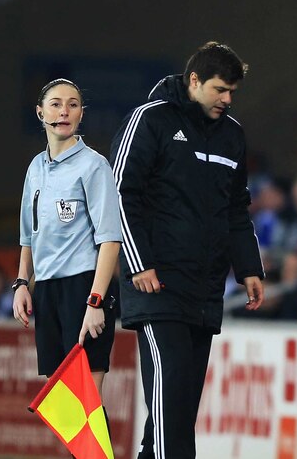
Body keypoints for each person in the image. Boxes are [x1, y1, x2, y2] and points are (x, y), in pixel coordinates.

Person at [110, 42, 265, 459]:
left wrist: (249, 266)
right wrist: (140, 264)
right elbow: (120, 194)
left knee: (177, 412)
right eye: (220, 89)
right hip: (157, 287)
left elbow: (236, 207)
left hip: (205, 290)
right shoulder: (151, 119)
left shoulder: (232, 134)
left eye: (233, 92)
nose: (228, 100)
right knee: (170, 404)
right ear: (193, 81)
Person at [12, 79, 122, 404]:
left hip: (84, 287)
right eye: (56, 104)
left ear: (81, 113)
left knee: (86, 401)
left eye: (73, 104)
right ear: (40, 112)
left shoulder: (94, 166)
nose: (64, 111)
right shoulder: (35, 168)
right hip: (46, 290)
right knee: (64, 406)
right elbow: (28, 234)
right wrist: (21, 282)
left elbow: (110, 240)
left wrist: (95, 301)